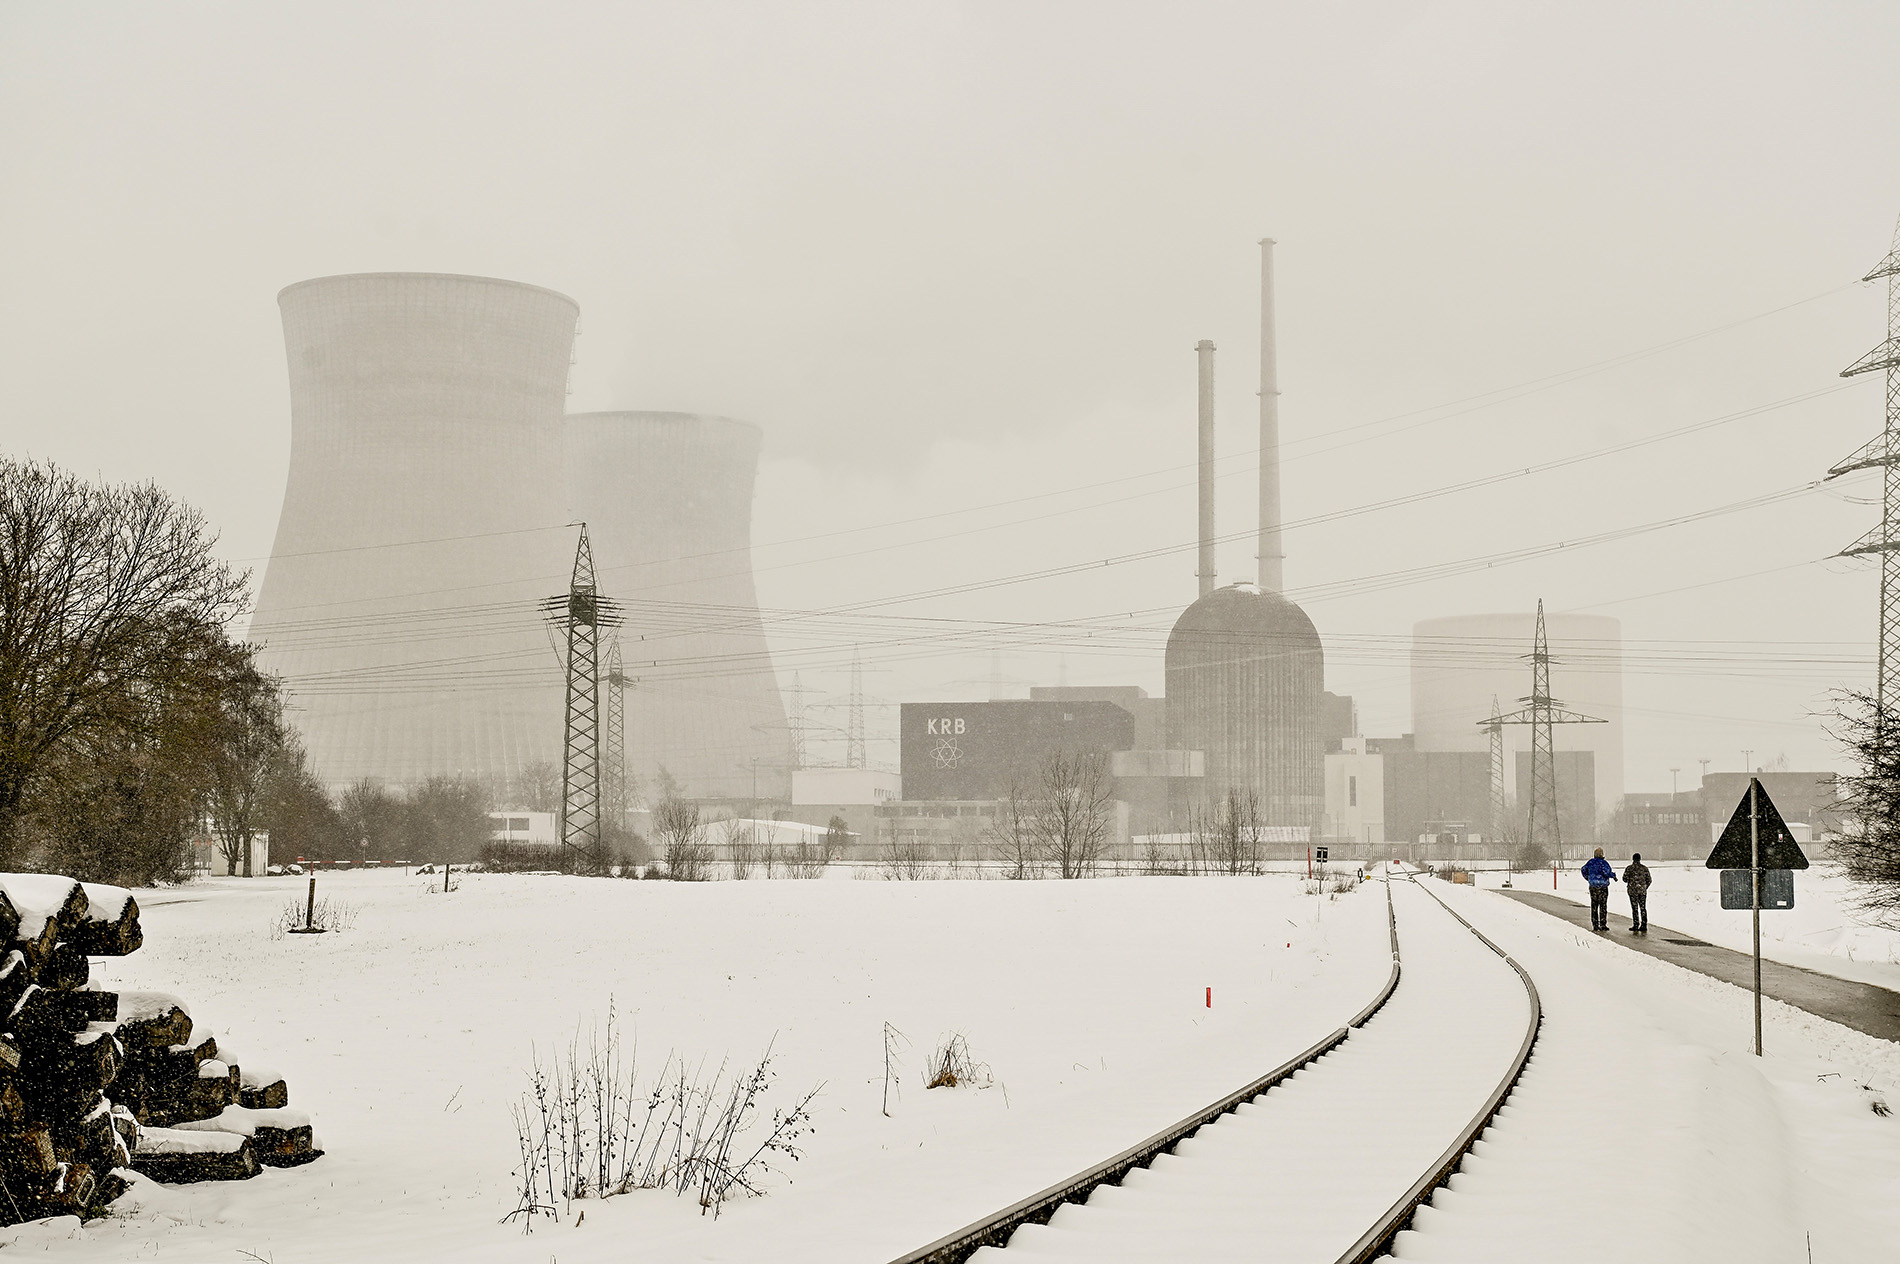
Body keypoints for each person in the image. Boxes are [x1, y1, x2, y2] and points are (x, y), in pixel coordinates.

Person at [1582, 848, 1617, 931]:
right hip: (1603, 887)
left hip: (1593, 886)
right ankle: (1603, 924)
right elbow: (1606, 873)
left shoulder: (1590, 862)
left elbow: (1583, 870)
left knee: (1594, 905)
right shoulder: (1604, 863)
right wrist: (1613, 875)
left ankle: (1595, 924)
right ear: (1602, 854)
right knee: (1603, 905)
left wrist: (1589, 878)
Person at [1623, 852, 1651, 933]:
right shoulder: (1644, 868)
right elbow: (1649, 880)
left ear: (1633, 859)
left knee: (1634, 908)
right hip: (1642, 891)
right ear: (1639, 859)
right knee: (1643, 907)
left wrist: (1631, 882)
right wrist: (1644, 887)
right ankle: (1644, 924)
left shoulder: (1629, 868)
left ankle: (1636, 924)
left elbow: (1624, 879)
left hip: (1632, 891)